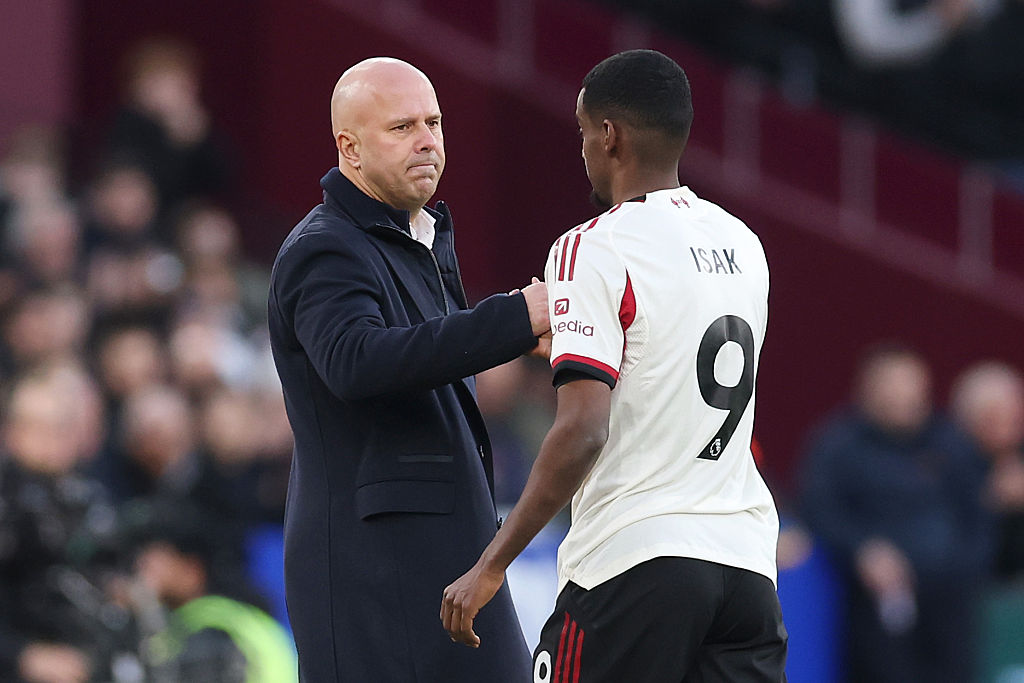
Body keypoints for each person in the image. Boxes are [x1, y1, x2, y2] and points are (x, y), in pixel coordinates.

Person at [442, 49, 787, 682]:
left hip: (634, 564)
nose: (581, 151)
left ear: (609, 136)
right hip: (745, 567)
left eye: (581, 133)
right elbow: (674, 367)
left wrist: (492, 562)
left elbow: (582, 430)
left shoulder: (590, 246)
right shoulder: (745, 244)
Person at [267, 57, 548, 681]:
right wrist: (512, 319)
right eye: (401, 127)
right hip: (374, 575)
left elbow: (425, 352)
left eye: (434, 122)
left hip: (448, 565)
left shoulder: (415, 237)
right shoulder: (325, 246)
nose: (427, 140)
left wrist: (513, 337)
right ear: (350, 146)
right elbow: (357, 362)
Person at [799, 343, 990, 683]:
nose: (901, 394)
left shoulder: (950, 443)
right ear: (868, 389)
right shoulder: (839, 445)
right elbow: (819, 509)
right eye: (890, 384)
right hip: (874, 604)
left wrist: (963, 570)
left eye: (909, 383)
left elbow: (976, 516)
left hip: (950, 604)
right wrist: (862, 549)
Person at [950, 361, 1024, 581]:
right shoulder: (952, 465)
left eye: (1011, 414)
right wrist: (990, 502)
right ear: (968, 421)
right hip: (979, 587)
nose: (1004, 425)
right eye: (992, 417)